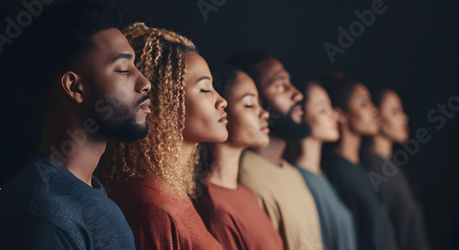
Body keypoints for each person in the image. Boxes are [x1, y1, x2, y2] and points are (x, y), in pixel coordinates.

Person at [0, 0, 150, 249]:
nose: (144, 82)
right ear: (74, 87)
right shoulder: (40, 214)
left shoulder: (89, 193)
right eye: (123, 69)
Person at [97, 23, 226, 250]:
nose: (222, 101)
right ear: (166, 101)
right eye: (205, 89)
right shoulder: (149, 203)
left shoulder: (172, 190)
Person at [226, 50, 324, 250]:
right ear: (257, 101)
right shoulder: (249, 180)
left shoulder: (290, 172)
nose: (297, 93)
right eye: (280, 85)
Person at [194, 64, 284, 250]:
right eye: (249, 104)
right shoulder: (215, 208)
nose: (264, 113)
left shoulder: (245, 192)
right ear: (221, 111)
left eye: (259, 103)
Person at [321, 76, 395, 250]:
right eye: (363, 103)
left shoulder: (360, 167)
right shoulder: (337, 169)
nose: (374, 110)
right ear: (341, 114)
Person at [284, 80, 357, 250]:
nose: (334, 115)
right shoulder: (301, 180)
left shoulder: (321, 176)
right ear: (300, 114)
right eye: (323, 109)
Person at [361, 89, 431, 250]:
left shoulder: (390, 166)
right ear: (375, 115)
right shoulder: (375, 169)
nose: (404, 117)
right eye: (395, 111)